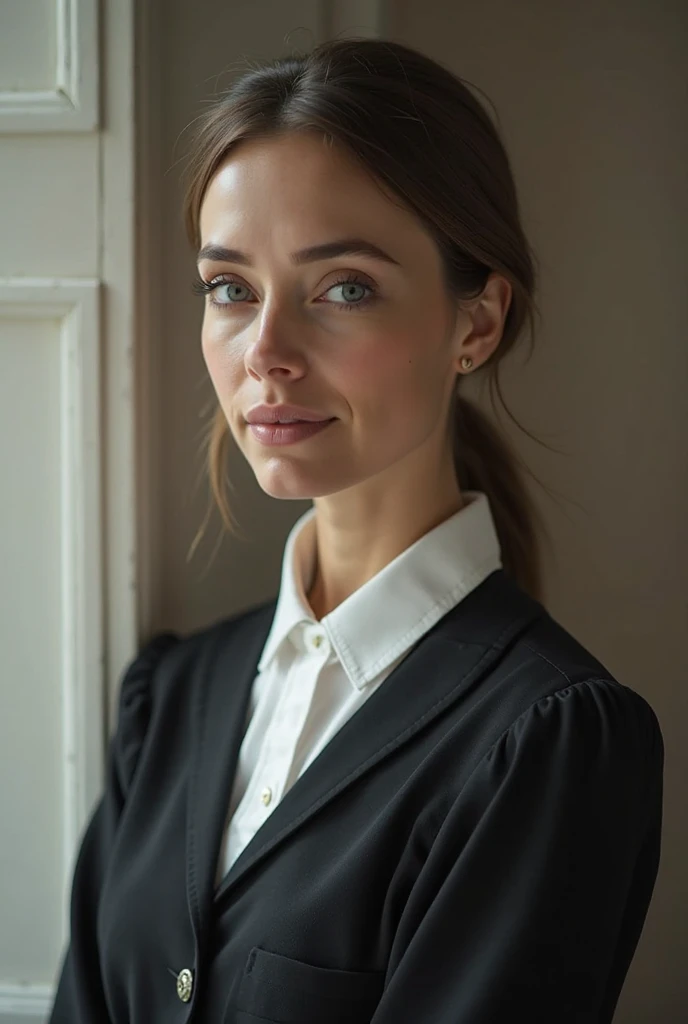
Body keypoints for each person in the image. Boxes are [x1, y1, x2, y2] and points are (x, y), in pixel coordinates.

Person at [49, 36, 664, 1023]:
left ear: (477, 322)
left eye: (343, 288)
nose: (266, 352)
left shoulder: (549, 744)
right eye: (230, 288)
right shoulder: (169, 697)